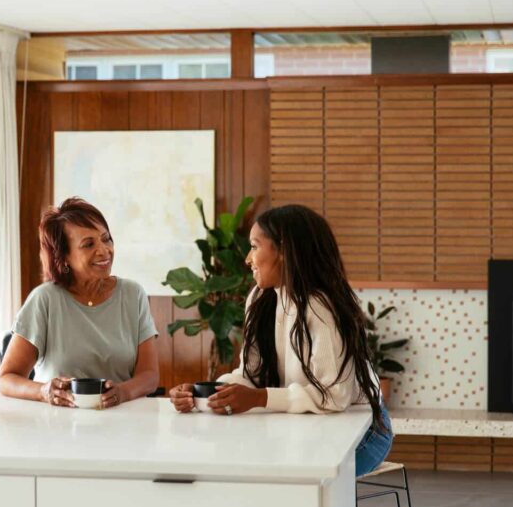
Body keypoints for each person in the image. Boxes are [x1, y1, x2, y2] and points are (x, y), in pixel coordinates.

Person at [168, 204, 393, 476]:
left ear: (284, 251)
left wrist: (259, 398)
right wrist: (206, 391)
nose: (248, 259)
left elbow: (333, 397)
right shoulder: (260, 298)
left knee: (293, 477)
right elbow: (250, 376)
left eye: (254, 246)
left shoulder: (322, 306)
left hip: (362, 432)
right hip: (305, 428)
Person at [0, 197, 160, 409]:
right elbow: (6, 379)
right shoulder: (45, 300)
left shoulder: (133, 295)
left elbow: (149, 375)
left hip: (122, 422)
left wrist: (123, 393)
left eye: (106, 239)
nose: (104, 250)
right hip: (57, 426)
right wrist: (43, 391)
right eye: (88, 244)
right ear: (64, 257)